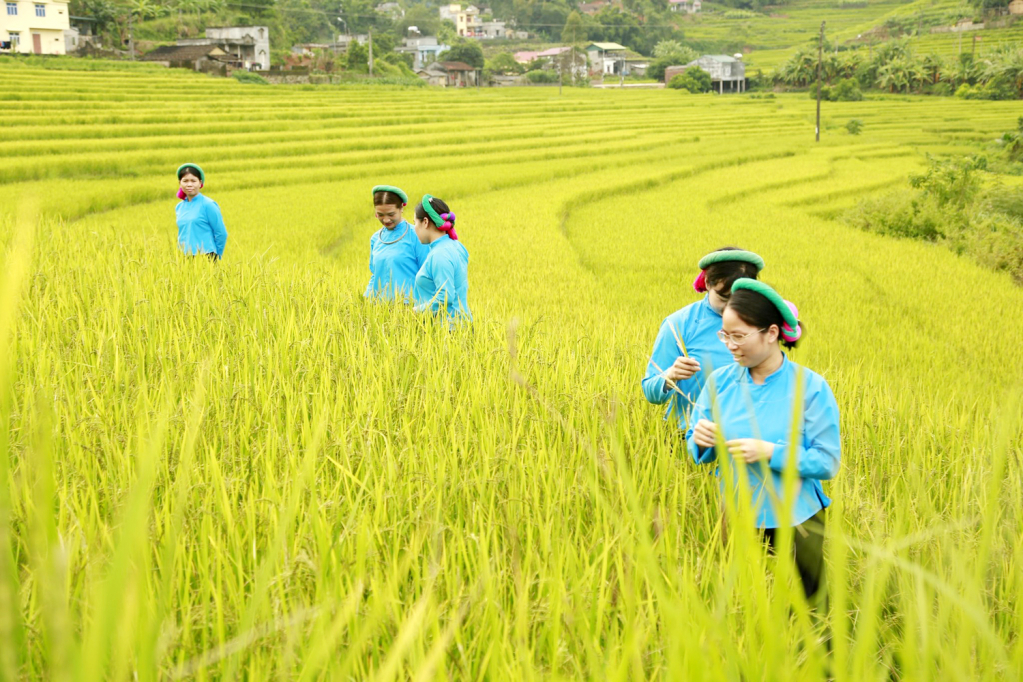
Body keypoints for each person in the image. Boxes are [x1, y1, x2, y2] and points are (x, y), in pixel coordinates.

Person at [686, 279, 840, 603]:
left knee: (811, 602)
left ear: (771, 333)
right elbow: (696, 440)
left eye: (739, 336)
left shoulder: (810, 387)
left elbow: (827, 462)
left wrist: (771, 452)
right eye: (725, 336)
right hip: (738, 513)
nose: (730, 345)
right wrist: (699, 440)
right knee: (742, 597)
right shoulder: (720, 382)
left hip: (798, 518)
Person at [642, 248, 765, 430]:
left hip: (746, 442)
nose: (731, 306)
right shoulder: (679, 324)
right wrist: (671, 375)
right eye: (724, 298)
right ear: (707, 283)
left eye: (739, 297)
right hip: (687, 439)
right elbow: (650, 392)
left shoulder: (762, 324)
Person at [365, 185, 430, 301]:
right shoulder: (375, 239)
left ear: (401, 208)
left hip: (409, 307)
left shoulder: (416, 235)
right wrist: (366, 299)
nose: (386, 220)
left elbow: (427, 275)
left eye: (391, 214)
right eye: (380, 214)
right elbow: (375, 274)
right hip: (378, 308)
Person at [412, 194, 471, 322]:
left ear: (425, 222)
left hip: (448, 330)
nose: (414, 229)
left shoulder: (440, 254)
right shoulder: (457, 246)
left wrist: (416, 311)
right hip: (462, 324)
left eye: (415, 223)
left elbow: (446, 296)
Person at [175, 163, 227, 261]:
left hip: (206, 256)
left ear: (200, 183)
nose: (189, 184)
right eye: (185, 181)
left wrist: (216, 257)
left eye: (193, 181)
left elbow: (221, 233)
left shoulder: (208, 205)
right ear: (180, 183)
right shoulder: (179, 207)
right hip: (184, 257)